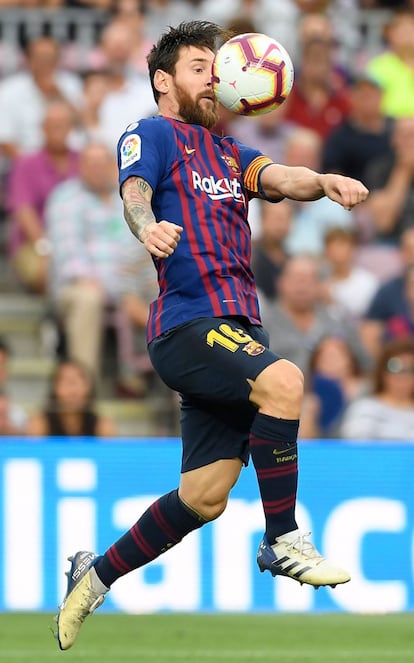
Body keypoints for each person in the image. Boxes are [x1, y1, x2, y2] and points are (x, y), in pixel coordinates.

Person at [55, 21, 368, 651]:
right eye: (200, 67)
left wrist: (324, 182)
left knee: (204, 495)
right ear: (163, 81)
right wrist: (145, 227)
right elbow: (135, 191)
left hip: (236, 326)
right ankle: (282, 538)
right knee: (284, 381)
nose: (215, 78)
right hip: (190, 324)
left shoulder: (230, 153)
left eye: (216, 67)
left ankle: (97, 573)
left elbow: (280, 177)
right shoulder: (152, 133)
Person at [6, 100, 80, 293]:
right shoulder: (27, 164)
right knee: (50, 271)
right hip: (37, 244)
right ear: (43, 129)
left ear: (71, 128)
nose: (57, 130)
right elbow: (23, 211)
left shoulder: (81, 161)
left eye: (62, 125)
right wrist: (45, 247)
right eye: (52, 125)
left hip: (79, 241)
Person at [339, 338, 414, 440]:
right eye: (394, 366)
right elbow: (354, 447)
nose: (403, 375)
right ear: (382, 372)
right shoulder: (364, 408)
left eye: (411, 369)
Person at [26, 359, 115, 437]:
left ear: (89, 387)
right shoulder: (40, 424)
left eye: (78, 380)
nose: (72, 390)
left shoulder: (101, 426)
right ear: (54, 387)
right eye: (66, 381)